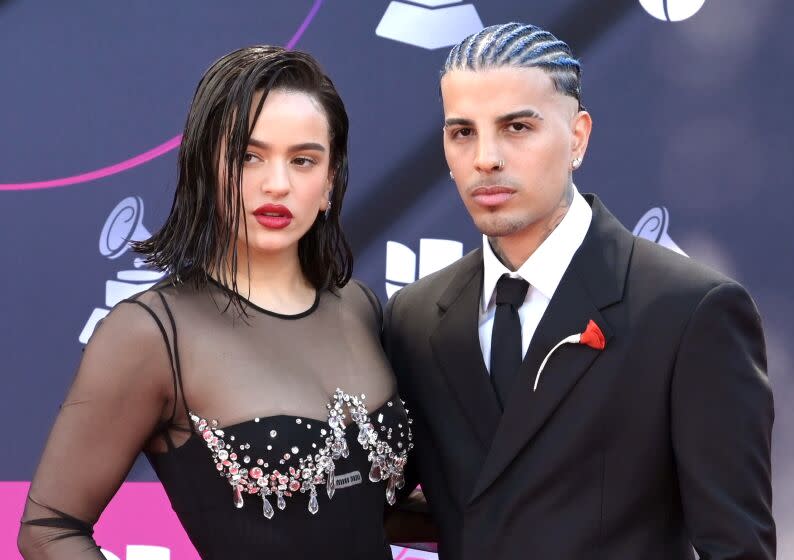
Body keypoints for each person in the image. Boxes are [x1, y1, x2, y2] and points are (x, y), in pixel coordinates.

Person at [383, 22, 775, 559]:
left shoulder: (689, 311)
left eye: (517, 127)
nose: (486, 159)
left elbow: (736, 545)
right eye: (462, 132)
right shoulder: (416, 316)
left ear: (578, 137)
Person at [18, 46, 413, 559]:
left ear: (330, 182)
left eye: (303, 160)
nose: (277, 184)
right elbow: (48, 529)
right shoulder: (154, 334)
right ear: (206, 168)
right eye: (249, 156)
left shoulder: (359, 307)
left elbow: (361, 513)